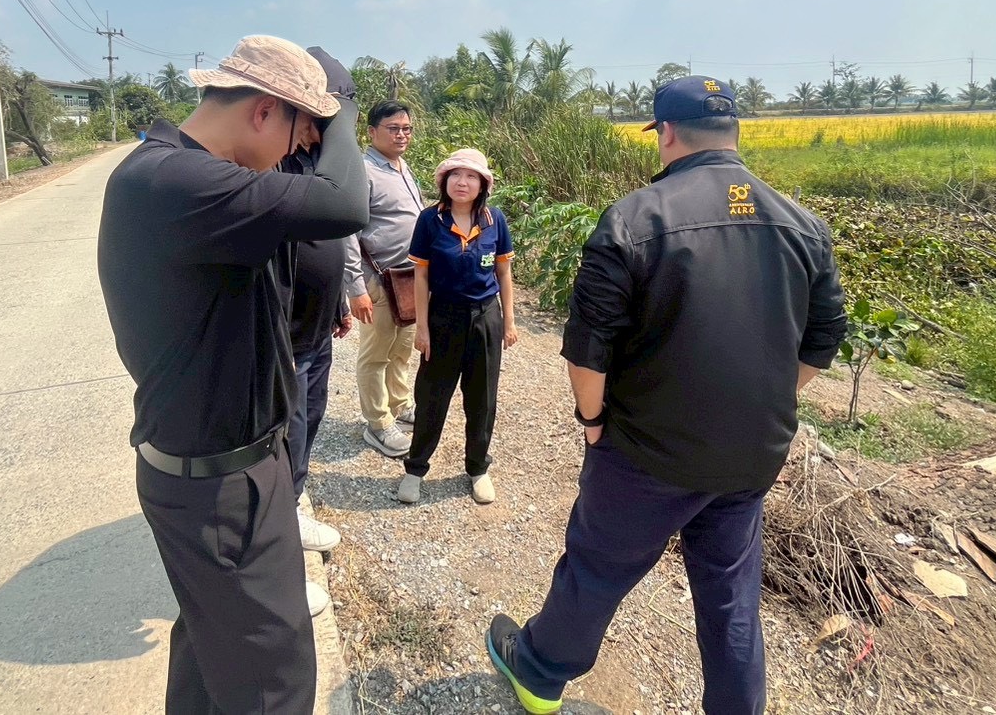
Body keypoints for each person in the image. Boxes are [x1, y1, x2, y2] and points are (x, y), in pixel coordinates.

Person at [485, 76, 847, 715]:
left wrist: (592, 423)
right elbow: (823, 339)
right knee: (731, 591)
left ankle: (539, 675)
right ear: (735, 132)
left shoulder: (634, 219)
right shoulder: (803, 225)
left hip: (647, 453)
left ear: (667, 133)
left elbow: (587, 345)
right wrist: (765, 399)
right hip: (748, 455)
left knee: (597, 568)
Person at [97, 36, 368, 715]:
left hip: (236, 467)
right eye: (298, 132)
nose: (294, 154)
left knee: (215, 652)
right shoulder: (171, 181)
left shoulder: (197, 179)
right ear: (262, 112)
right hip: (218, 485)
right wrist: (343, 112)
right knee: (273, 681)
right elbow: (341, 204)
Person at [397, 148, 518, 506]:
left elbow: (504, 272)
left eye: (471, 176)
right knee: (432, 396)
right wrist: (422, 327)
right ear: (444, 181)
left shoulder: (495, 220)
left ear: (483, 184)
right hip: (443, 316)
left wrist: (508, 321)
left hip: (485, 317)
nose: (462, 182)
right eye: (455, 175)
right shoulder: (429, 220)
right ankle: (415, 469)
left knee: (482, 399)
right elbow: (420, 276)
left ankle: (478, 468)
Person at [282, 47, 357, 618]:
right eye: (316, 122)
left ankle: (293, 508)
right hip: (280, 341)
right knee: (279, 443)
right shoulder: (271, 160)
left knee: (307, 429)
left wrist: (336, 303)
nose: (318, 136)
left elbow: (334, 235)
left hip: (315, 330)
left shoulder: (310, 157)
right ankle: (276, 568)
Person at [343, 99, 425, 459]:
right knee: (375, 353)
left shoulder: (401, 167)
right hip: (378, 279)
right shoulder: (362, 171)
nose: (402, 135)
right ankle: (377, 423)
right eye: (394, 128)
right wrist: (356, 288)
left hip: (408, 278)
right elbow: (347, 232)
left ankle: (401, 402)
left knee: (402, 348)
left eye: (406, 128)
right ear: (372, 132)